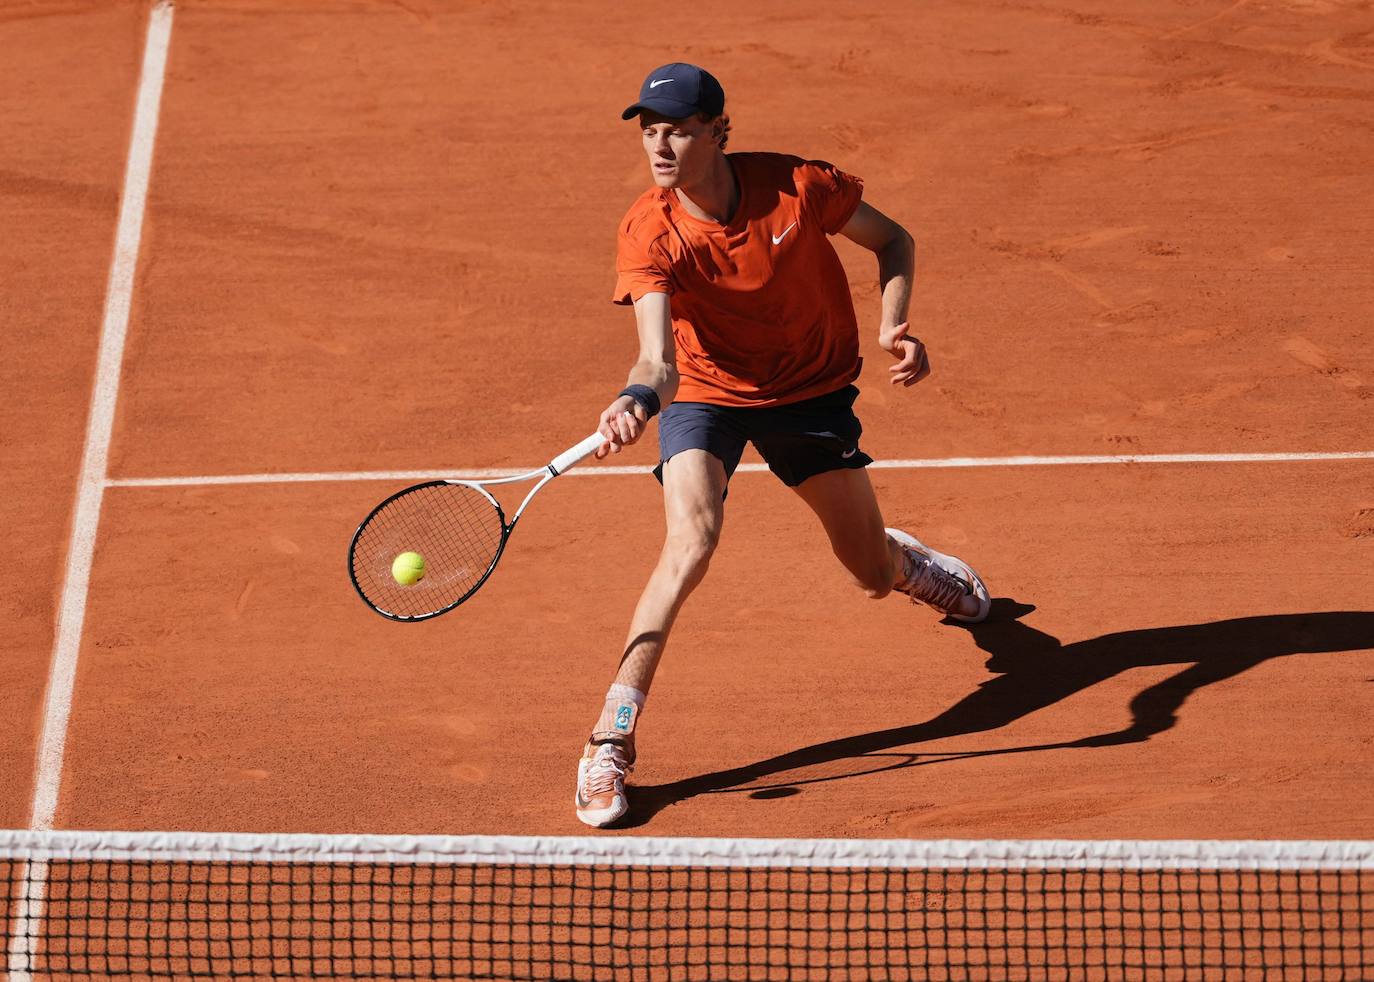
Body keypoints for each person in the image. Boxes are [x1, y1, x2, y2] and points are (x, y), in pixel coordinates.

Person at [576, 63, 991, 828]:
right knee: (689, 543)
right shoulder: (649, 228)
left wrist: (893, 323)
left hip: (810, 391)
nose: (659, 145)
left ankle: (905, 563)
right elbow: (658, 363)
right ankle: (611, 740)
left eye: (677, 129)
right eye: (648, 131)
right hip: (707, 394)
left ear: (717, 131)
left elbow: (893, 240)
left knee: (867, 571)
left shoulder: (798, 187)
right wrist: (636, 398)